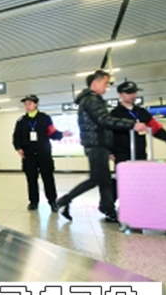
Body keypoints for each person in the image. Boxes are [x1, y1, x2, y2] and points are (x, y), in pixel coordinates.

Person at [56, 70, 147, 223]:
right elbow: (104, 120)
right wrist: (132, 124)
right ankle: (64, 200)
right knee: (96, 179)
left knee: (105, 180)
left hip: (99, 144)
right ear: (96, 82)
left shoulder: (94, 99)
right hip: (96, 145)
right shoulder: (91, 100)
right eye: (105, 83)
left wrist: (109, 147)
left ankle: (108, 210)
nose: (106, 87)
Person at [12, 94, 73, 212]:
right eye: (25, 104)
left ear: (36, 104)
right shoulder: (21, 121)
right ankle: (33, 202)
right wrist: (18, 148)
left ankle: (52, 201)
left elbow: (52, 132)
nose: (27, 106)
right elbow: (16, 136)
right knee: (31, 179)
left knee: (48, 177)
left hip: (43, 153)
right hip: (28, 154)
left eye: (29, 103)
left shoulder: (45, 118)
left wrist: (62, 134)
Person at [110, 80, 166, 164]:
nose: (133, 95)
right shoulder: (114, 114)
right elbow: (108, 134)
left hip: (140, 153)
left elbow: (156, 129)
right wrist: (109, 151)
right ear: (120, 94)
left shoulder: (142, 112)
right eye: (129, 93)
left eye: (134, 92)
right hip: (121, 155)